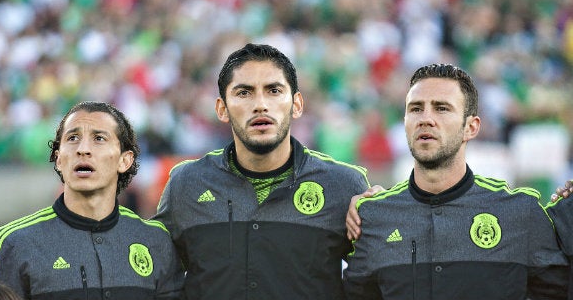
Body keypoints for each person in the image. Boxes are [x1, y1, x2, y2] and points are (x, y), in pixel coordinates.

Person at [154, 43, 370, 300]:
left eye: (274, 91)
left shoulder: (344, 185)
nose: (260, 105)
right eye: (244, 93)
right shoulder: (186, 184)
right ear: (222, 109)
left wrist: (384, 209)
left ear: (297, 104)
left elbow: (374, 281)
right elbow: (159, 280)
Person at [343, 63, 569, 299]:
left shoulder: (521, 213)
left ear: (470, 127)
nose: (426, 119)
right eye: (416, 109)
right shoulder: (373, 216)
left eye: (441, 108)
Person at [0, 101, 184, 300]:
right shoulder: (11, 243)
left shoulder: (156, 240)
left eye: (99, 138)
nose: (83, 149)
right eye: (72, 138)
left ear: (125, 160)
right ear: (58, 159)